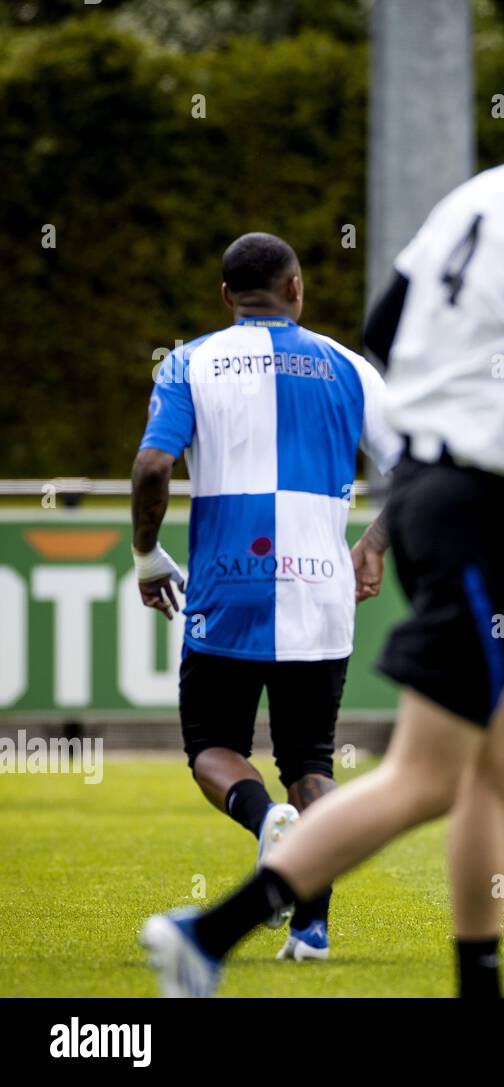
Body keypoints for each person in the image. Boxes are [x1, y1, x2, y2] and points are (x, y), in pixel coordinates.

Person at [141, 16, 504, 998]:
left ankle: (476, 979)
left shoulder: (477, 197)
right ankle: (209, 930)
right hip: (474, 506)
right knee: (425, 774)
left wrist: (433, 424)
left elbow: (382, 326)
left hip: (439, 495)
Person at [131, 231, 402, 962]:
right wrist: (371, 546)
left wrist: (147, 552)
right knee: (311, 758)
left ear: (226, 297)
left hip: (227, 588)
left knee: (213, 746)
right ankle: (312, 929)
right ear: (297, 288)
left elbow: (154, 465)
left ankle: (263, 820)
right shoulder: (349, 367)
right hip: (321, 592)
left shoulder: (190, 361)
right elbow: (419, 470)